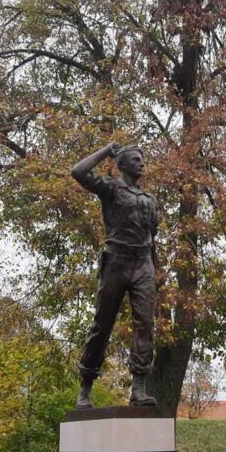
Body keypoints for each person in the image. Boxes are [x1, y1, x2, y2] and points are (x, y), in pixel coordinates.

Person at [70, 141, 159, 408]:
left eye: (142, 160)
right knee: (102, 324)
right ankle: (86, 387)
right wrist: (106, 151)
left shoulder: (150, 199)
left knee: (145, 324)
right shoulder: (110, 188)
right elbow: (78, 171)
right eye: (135, 159)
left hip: (143, 263)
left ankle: (139, 388)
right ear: (121, 164)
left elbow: (151, 234)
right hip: (116, 262)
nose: (141, 163)